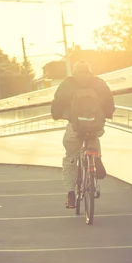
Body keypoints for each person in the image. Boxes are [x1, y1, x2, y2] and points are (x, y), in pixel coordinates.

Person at [51, 61, 115, 208]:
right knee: (94, 135)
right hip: (94, 125)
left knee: (70, 159)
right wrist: (108, 114)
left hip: (75, 125)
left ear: (75, 71)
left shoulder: (69, 83)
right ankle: (96, 158)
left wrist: (57, 115)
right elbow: (109, 100)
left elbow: (58, 101)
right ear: (90, 71)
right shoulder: (98, 82)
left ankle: (71, 195)